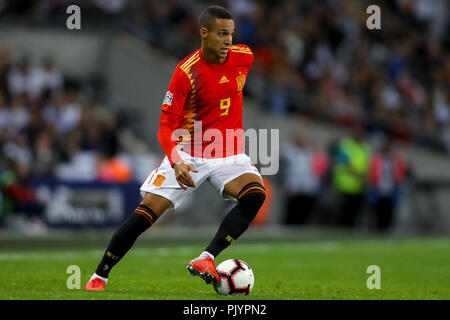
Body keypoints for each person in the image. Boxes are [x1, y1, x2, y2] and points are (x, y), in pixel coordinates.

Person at [85, 6, 266, 291]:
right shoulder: (186, 73)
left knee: (255, 195)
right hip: (189, 154)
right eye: (221, 34)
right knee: (146, 214)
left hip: (229, 152)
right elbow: (165, 127)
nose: (228, 40)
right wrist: (177, 161)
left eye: (230, 33)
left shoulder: (244, 57)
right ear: (203, 34)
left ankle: (207, 257)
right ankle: (100, 276)